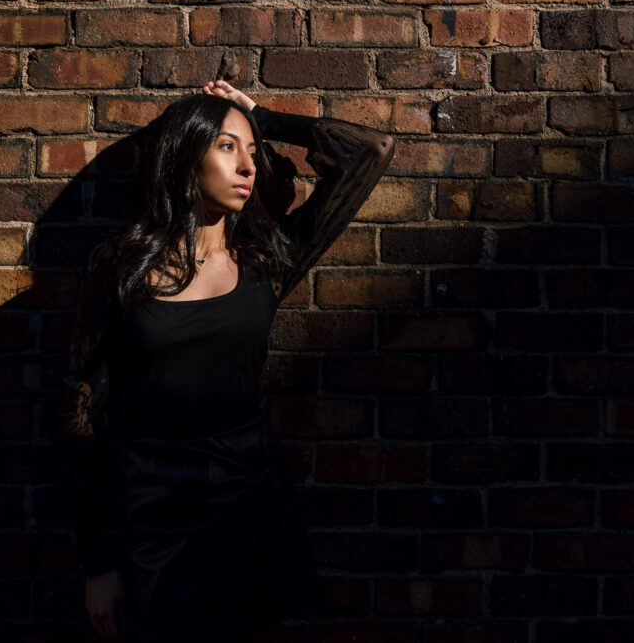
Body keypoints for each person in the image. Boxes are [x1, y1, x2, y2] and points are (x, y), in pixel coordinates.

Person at [62, 79, 397, 642]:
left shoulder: (268, 258)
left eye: (252, 149)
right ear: (184, 157)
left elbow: (372, 151)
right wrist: (98, 563)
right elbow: (82, 416)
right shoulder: (120, 267)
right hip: (154, 513)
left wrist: (259, 115)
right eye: (225, 146)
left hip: (247, 500)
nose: (248, 165)